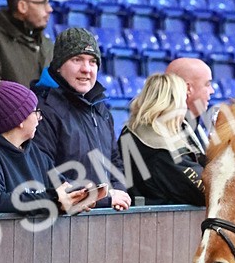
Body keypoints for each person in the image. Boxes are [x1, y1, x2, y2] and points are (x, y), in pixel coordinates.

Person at [0, 68, 93, 217]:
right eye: (35, 112)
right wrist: (52, 200)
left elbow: (62, 187)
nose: (40, 117)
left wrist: (88, 195)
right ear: (20, 120)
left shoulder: (33, 151)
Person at [35, 28, 131, 211]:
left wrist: (118, 193)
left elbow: (115, 162)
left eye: (92, 61)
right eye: (77, 59)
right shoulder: (43, 109)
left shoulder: (101, 109)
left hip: (104, 218)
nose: (86, 69)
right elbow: (44, 172)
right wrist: (105, 198)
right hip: (63, 226)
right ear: (58, 66)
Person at [120, 73, 206, 206]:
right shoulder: (163, 150)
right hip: (159, 222)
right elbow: (206, 193)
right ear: (174, 105)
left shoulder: (131, 130)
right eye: (183, 101)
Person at [165, 57, 215, 151]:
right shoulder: (166, 134)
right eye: (207, 85)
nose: (212, 91)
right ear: (188, 89)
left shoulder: (193, 123)